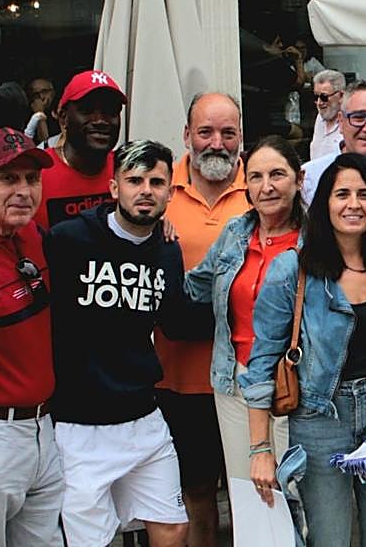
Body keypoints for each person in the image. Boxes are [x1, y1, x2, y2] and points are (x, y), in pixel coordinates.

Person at [241, 153, 366, 545]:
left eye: (364, 194)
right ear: (324, 203)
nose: (354, 204)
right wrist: (260, 449)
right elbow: (262, 362)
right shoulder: (292, 269)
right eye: (342, 194)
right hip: (320, 418)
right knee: (329, 539)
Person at [45, 140, 209, 547]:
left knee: (172, 526)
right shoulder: (68, 241)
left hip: (143, 418)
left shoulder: (166, 250)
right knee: (90, 540)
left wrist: (242, 308)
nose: (145, 190)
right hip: (79, 426)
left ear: (171, 192)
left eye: (156, 182)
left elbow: (176, 321)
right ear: (114, 187)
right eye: (134, 180)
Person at [157, 92, 250, 546]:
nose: (217, 142)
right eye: (206, 132)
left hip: (248, 377)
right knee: (195, 493)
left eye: (228, 133)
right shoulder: (157, 190)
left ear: (241, 138)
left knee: (252, 492)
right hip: (178, 377)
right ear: (187, 136)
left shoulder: (265, 189)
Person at [183, 136, 305, 481]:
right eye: (256, 177)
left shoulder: (316, 240)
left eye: (277, 175)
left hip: (293, 384)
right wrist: (155, 239)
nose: (266, 187)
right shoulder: (236, 233)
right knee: (247, 492)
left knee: (295, 497)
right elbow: (195, 286)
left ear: (298, 179)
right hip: (234, 379)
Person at [0, 128, 62, 547]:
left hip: (41, 431)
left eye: (32, 179)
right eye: (8, 179)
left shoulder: (30, 235)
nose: (24, 191)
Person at [34, 70, 126, 229]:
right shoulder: (36, 174)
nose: (100, 121)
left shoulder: (129, 172)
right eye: (87, 111)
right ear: (63, 118)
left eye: (110, 112)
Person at [309, 70, 346, 160]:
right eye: (316, 97)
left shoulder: (350, 121)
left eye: (324, 97)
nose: (319, 103)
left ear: (341, 95)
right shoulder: (320, 118)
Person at [25, 77, 57, 145]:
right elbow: (44, 145)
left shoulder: (60, 113)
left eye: (44, 92)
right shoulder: (28, 118)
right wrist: (39, 113)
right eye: (36, 94)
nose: (41, 97)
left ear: (53, 93)